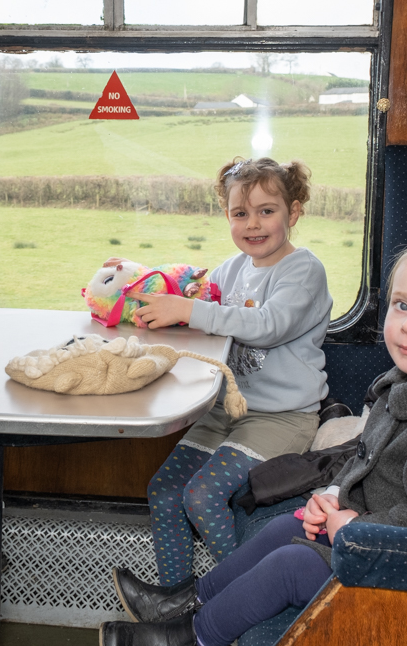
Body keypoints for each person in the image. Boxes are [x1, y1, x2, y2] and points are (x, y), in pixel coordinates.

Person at [101, 233, 407, 646]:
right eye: (402, 305)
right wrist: (334, 495)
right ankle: (186, 601)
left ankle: (191, 637)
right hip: (398, 540)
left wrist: (356, 528)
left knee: (292, 566)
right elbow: (368, 460)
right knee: (287, 526)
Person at [123, 157, 333, 588]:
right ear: (228, 217)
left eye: (266, 211)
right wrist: (148, 291)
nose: (252, 224)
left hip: (281, 417)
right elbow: (197, 302)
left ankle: (244, 593)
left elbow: (269, 326)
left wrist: (190, 310)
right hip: (227, 412)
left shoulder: (303, 269)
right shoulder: (231, 269)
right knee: (165, 492)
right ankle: (176, 599)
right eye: (240, 213)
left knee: (202, 496)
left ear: (293, 213)